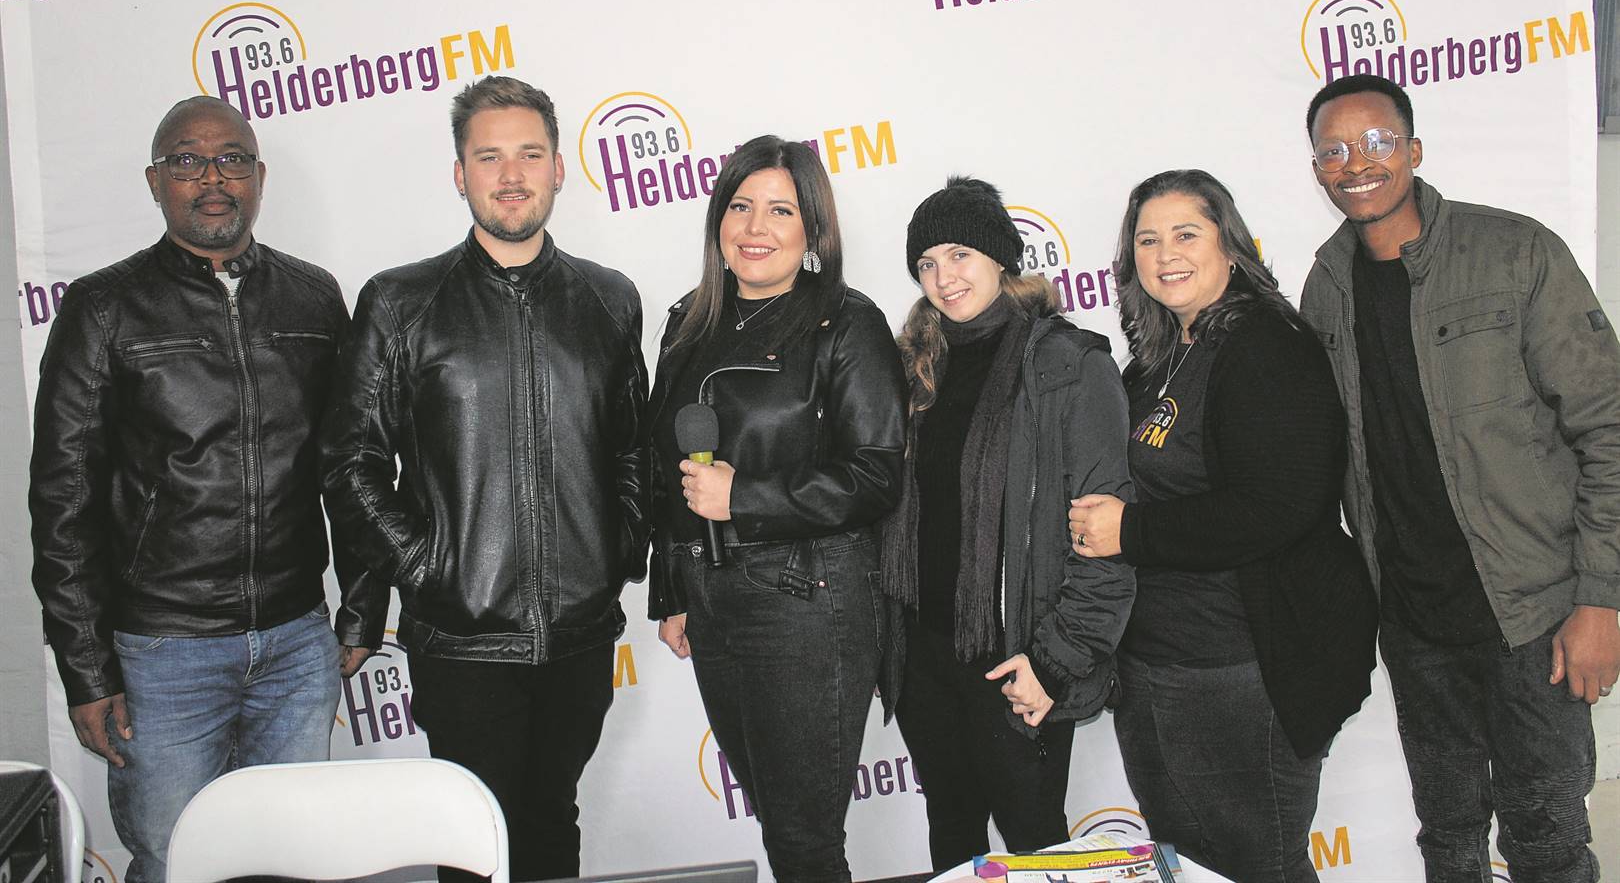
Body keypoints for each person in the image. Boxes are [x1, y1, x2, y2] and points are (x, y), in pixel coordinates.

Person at [28, 95, 379, 883]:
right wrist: (88, 670)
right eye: (187, 161)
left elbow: (349, 465)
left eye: (232, 160)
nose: (212, 178)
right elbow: (62, 501)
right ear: (156, 181)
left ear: (259, 177)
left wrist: (360, 603)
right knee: (175, 861)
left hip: (296, 643)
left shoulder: (314, 296)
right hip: (163, 653)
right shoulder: (104, 307)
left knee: (289, 860)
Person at [321, 75, 647, 882]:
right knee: (472, 845)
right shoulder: (401, 302)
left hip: (578, 639)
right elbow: (351, 462)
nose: (511, 175)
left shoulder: (609, 299)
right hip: (462, 644)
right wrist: (429, 566)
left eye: (529, 155)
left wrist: (614, 553)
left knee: (551, 825)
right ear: (459, 173)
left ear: (559, 168)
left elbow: (633, 451)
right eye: (489, 156)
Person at [1298, 73, 1620, 881]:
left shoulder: (1514, 252)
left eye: (1376, 142)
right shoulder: (1325, 288)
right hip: (1414, 624)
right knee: (1447, 840)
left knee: (1547, 846)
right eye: (1334, 151)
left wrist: (1602, 599)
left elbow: (1607, 428)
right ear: (1316, 169)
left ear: (1413, 149)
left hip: (1534, 619)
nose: (1356, 164)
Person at [1068, 169, 1377, 883]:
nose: (1165, 254)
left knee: (1259, 865)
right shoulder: (1160, 354)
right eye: (1148, 240)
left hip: (1240, 669)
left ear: (1230, 245)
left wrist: (1132, 532)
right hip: (1158, 665)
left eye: (1186, 233)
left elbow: (1278, 505)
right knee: (1191, 864)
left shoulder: (1264, 344)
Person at [647, 135, 905, 881]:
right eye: (740, 206)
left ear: (812, 229)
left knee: (802, 839)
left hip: (806, 599)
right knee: (778, 819)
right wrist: (673, 590)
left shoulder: (848, 324)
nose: (755, 227)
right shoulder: (689, 322)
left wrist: (744, 497)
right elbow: (665, 468)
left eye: (781, 210)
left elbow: (877, 475)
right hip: (710, 597)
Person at [879, 177, 1135, 868]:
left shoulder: (1067, 364)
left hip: (1016, 658)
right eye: (927, 263)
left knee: (1034, 846)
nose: (944, 278)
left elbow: (1107, 538)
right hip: (925, 659)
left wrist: (1053, 662)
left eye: (960, 254)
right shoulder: (912, 367)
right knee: (952, 839)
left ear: (1000, 257)